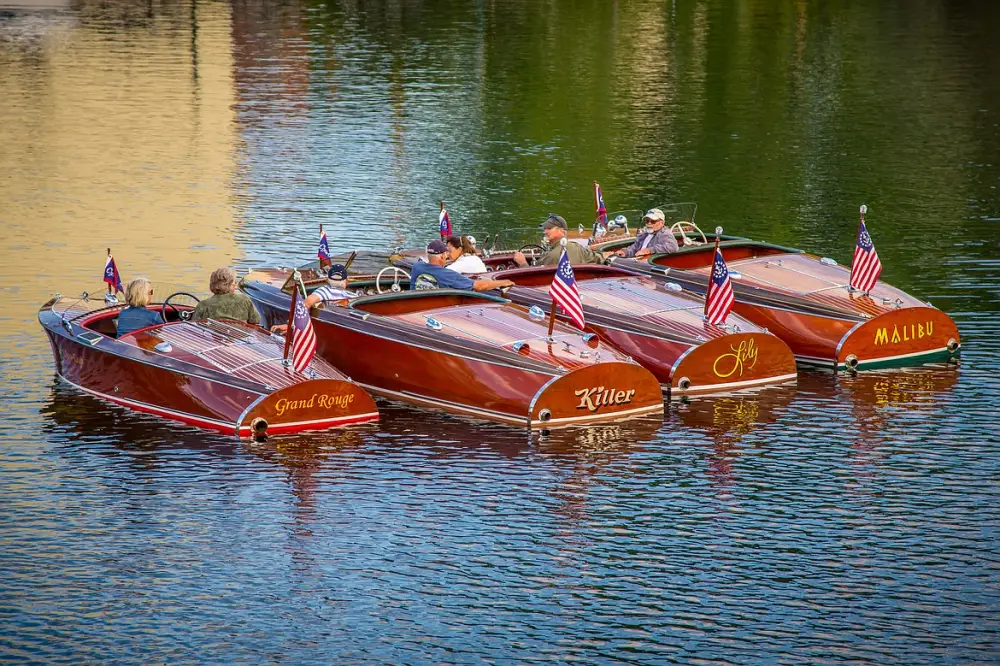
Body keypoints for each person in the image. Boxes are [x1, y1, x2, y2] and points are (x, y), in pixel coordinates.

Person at [269, 264, 356, 335]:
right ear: (346, 282)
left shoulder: (325, 291)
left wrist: (291, 325)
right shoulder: (352, 295)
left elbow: (307, 302)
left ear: (328, 280)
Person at [411, 240, 515, 291]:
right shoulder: (448, 275)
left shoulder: (417, 267)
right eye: (446, 254)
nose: (447, 256)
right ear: (442, 256)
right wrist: (503, 282)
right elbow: (480, 286)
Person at [513, 214, 606, 267]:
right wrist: (609, 254)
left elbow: (533, 278)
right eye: (545, 228)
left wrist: (522, 262)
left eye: (549, 228)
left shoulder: (552, 256)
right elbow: (597, 259)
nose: (545, 231)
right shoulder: (577, 247)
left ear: (561, 231)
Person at [192, 267, 261, 324]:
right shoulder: (244, 300)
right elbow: (256, 320)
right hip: (239, 337)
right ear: (230, 285)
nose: (235, 285)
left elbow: (194, 324)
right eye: (234, 282)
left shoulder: (203, 304)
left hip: (215, 337)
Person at [606, 208, 678, 259]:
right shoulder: (644, 234)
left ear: (662, 223)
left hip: (649, 266)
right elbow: (634, 247)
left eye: (653, 221)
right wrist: (625, 252)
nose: (649, 224)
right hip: (637, 262)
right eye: (647, 221)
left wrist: (649, 250)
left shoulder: (665, 233)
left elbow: (673, 247)